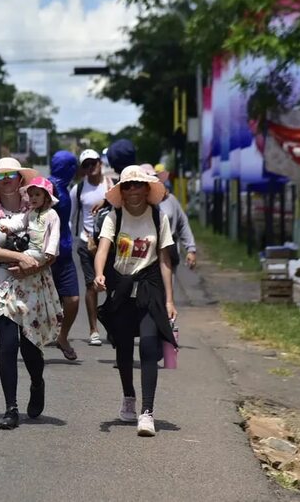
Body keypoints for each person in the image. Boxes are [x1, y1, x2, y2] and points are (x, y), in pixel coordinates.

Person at [0, 157, 63, 430]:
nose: (6, 181)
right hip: (1, 285)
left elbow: (52, 249)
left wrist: (29, 267)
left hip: (34, 284)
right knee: (8, 346)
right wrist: (17, 257)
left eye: (10, 175)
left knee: (30, 347)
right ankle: (10, 408)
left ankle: (37, 383)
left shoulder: (40, 209)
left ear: (20, 179)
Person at [94, 165, 178, 437]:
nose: (133, 191)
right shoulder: (113, 217)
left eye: (138, 185)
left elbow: (165, 259)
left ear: (147, 188)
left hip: (149, 287)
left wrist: (169, 300)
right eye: (127, 186)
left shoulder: (158, 217)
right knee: (123, 347)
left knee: (150, 346)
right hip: (121, 285)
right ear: (122, 191)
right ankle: (128, 395)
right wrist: (98, 274)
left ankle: (147, 412)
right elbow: (103, 248)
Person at [69, 149, 115, 346]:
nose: (90, 168)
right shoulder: (78, 190)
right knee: (91, 286)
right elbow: (71, 218)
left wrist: (107, 199)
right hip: (86, 241)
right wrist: (69, 241)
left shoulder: (111, 185)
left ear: (100, 163)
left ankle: (113, 328)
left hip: (110, 241)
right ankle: (93, 329)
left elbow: (120, 205)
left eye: (93, 163)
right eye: (86, 165)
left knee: (113, 286)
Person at [49, 151, 80, 361]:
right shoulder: (48, 188)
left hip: (65, 252)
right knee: (40, 301)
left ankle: (62, 337)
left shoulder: (65, 186)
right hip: (48, 253)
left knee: (72, 298)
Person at [141, 164, 197, 270]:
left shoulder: (170, 200)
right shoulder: (133, 204)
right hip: (141, 254)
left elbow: (182, 223)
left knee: (168, 285)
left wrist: (191, 250)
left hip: (168, 253)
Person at [0, 176, 60, 266]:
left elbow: (55, 233)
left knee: (17, 261)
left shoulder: (51, 214)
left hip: (43, 251)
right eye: (31, 195)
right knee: (16, 262)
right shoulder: (31, 212)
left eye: (37, 195)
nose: (33, 198)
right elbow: (21, 223)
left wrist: (51, 251)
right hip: (31, 249)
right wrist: (9, 229)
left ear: (47, 197)